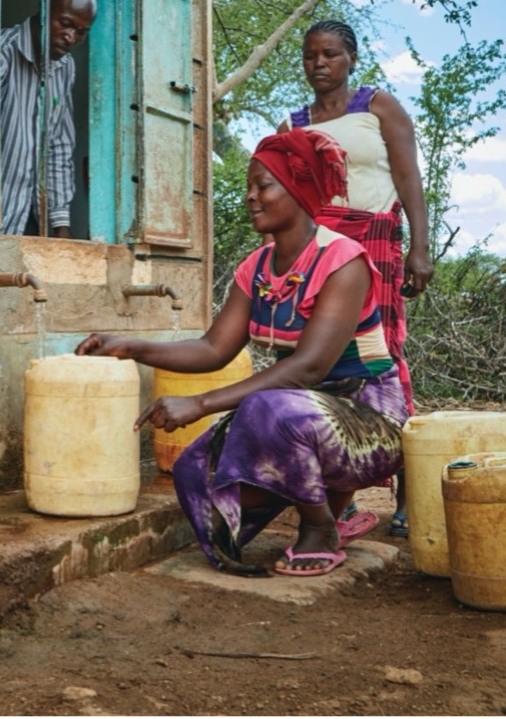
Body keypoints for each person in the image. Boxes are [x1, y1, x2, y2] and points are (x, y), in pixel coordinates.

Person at [76, 129, 407, 576]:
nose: (251, 197)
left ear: (299, 189)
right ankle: (318, 507)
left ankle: (321, 527)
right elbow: (214, 348)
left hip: (369, 427)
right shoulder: (257, 268)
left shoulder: (343, 260)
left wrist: (200, 404)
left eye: (263, 186)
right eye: (248, 187)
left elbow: (309, 368)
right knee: (196, 472)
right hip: (296, 415)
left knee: (267, 408)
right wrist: (130, 347)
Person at [282, 19, 432, 537]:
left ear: (350, 59)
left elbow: (408, 175)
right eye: (309, 56)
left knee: (382, 359)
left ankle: (411, 492)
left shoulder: (378, 106)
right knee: (325, 367)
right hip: (322, 255)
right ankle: (335, 498)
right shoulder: (295, 124)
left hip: (375, 247)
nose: (318, 64)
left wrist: (420, 247)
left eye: (329, 54)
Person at [0, 0, 97, 237]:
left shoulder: (65, 67)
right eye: (65, 24)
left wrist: (61, 228)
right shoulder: (1, 53)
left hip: (30, 224)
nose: (71, 37)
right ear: (44, 9)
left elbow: (58, 146)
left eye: (81, 32)